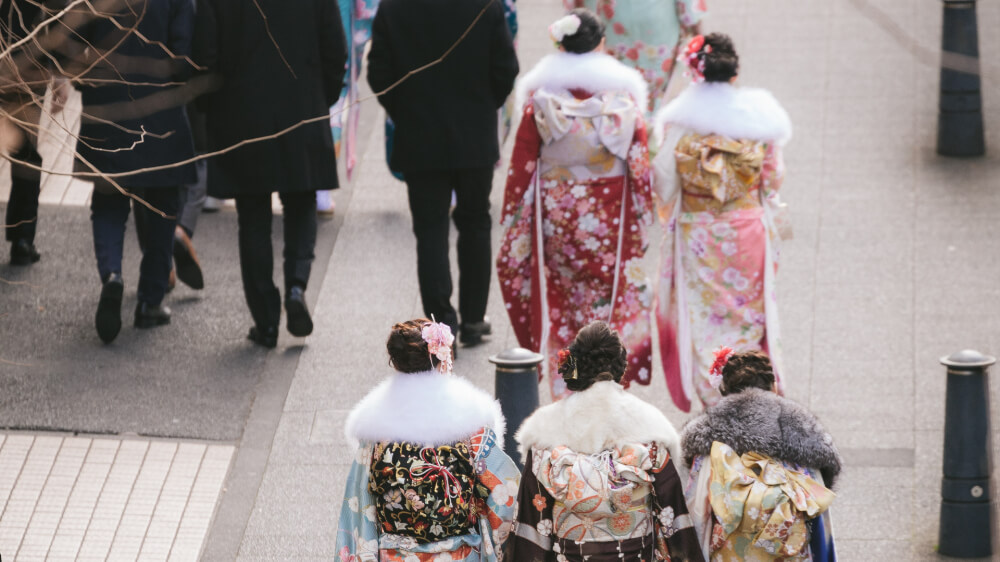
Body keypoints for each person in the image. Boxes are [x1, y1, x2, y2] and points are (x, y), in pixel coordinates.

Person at [497, 10, 654, 400]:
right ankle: (609, 378)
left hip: (559, 213)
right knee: (609, 296)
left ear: (561, 47)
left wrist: (514, 212)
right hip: (610, 213)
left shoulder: (541, 98)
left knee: (564, 299)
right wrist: (645, 212)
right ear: (601, 46)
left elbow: (523, 164)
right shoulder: (622, 98)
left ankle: (565, 384)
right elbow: (640, 165)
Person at [193, 0, 347, 348]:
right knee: (302, 200)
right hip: (302, 102)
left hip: (241, 109)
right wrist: (324, 94)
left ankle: (265, 318)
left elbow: (205, 50)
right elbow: (334, 46)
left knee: (252, 214)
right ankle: (296, 285)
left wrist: (209, 106)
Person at [652, 33, 792, 412]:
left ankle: (715, 403)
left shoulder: (680, 120)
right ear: (734, 72)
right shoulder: (757, 117)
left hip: (698, 231)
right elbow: (773, 177)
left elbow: (663, 180)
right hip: (746, 229)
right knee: (749, 318)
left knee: (705, 324)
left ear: (695, 73)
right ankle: (753, 395)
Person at [367, 0, 518, 345]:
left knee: (430, 228)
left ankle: (441, 326)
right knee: (475, 221)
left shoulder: (394, 8)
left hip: (419, 135)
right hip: (474, 134)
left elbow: (379, 73)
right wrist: (483, 106)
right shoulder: (485, 6)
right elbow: (506, 68)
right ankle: (474, 317)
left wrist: (404, 111)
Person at [503, 321, 704, 561]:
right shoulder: (650, 424)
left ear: (577, 365)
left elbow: (534, 522)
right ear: (621, 366)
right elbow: (671, 514)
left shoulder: (545, 429)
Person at [336, 319, 520, 561]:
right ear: (442, 357)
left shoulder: (376, 433)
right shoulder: (472, 426)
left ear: (396, 361)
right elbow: (505, 496)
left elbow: (360, 506)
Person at [69, 0, 198, 343]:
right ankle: (149, 303)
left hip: (107, 109)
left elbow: (71, 49)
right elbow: (184, 60)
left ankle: (111, 275)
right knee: (161, 206)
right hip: (160, 112)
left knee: (109, 201)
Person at [680, 350, 840, 560]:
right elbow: (818, 512)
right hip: (789, 548)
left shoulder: (708, 445)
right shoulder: (803, 436)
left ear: (724, 390)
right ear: (773, 386)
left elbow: (697, 510)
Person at [1, 0, 70, 266]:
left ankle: (22, 237)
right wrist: (60, 74)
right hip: (27, 65)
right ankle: (22, 238)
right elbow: (58, 14)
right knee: (26, 153)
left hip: (25, 65)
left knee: (25, 153)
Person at [565, 0, 706, 110]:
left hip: (608, 22)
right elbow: (692, 14)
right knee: (655, 93)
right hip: (655, 25)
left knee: (613, 89)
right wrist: (701, 40)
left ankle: (619, 133)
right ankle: (650, 139)